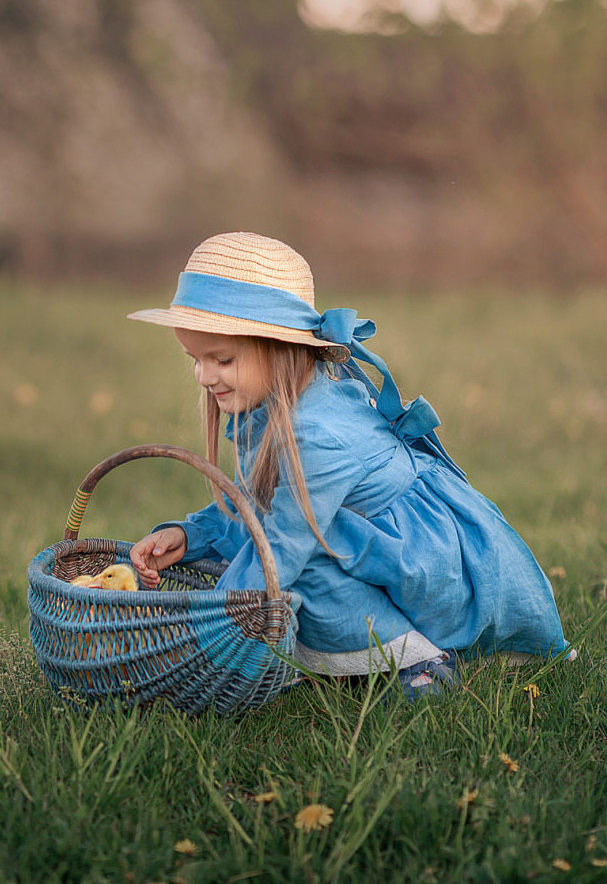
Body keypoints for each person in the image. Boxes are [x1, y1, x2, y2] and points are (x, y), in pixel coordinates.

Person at [126, 232, 571, 699]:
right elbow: (258, 509)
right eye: (194, 358)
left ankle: (420, 665)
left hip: (432, 572)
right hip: (384, 553)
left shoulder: (318, 434)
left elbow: (280, 545)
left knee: (300, 566)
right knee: (278, 558)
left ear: (279, 349)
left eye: (221, 359)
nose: (203, 375)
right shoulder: (273, 405)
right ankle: (360, 653)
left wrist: (207, 635)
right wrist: (192, 535)